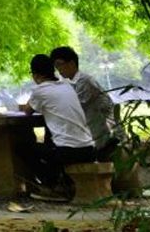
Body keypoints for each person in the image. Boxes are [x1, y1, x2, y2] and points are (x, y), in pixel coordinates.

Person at [17, 54, 96, 195]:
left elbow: (27, 111)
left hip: (67, 152)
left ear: (35, 75)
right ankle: (63, 181)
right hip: (89, 148)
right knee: (48, 139)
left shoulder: (40, 90)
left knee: (22, 147)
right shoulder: (66, 85)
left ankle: (52, 185)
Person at [51, 45, 121, 160]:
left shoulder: (85, 82)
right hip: (95, 134)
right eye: (56, 66)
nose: (58, 69)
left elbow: (72, 109)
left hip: (106, 136)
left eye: (59, 64)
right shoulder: (74, 83)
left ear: (72, 63)